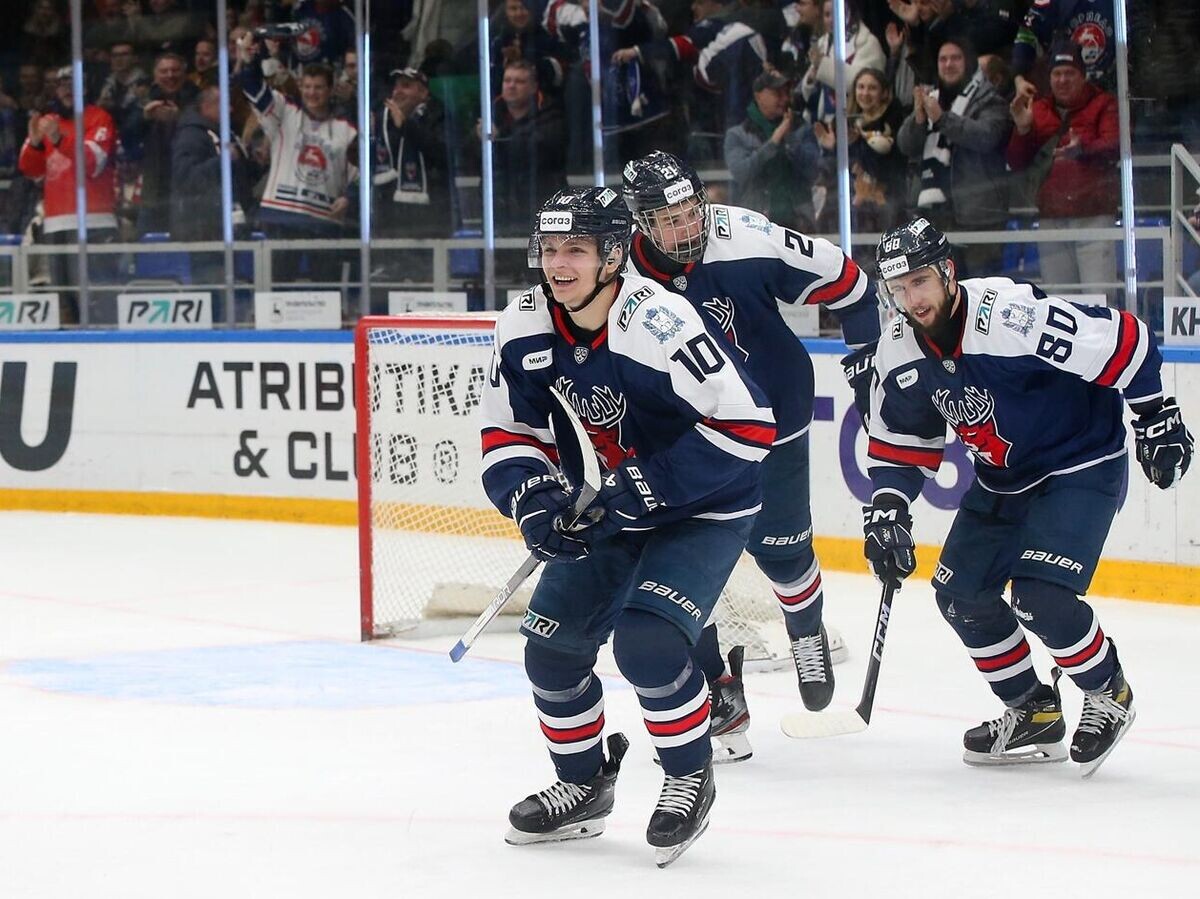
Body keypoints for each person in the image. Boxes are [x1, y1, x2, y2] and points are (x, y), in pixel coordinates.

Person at [481, 187, 776, 865]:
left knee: (648, 643)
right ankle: (583, 784)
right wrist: (532, 499)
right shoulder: (524, 324)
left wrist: (649, 482)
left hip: (705, 503)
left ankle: (689, 775)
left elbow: (749, 425)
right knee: (550, 649)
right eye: (550, 249)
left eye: (576, 250)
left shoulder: (656, 320)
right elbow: (508, 430)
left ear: (612, 256)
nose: (558, 264)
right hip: (611, 505)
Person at [863, 217, 1193, 777]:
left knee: (1041, 597)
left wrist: (1155, 414)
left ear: (947, 273)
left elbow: (1125, 340)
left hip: (1079, 462)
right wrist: (888, 507)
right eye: (898, 288)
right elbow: (903, 440)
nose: (911, 300)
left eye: (919, 282)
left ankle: (1108, 691)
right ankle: (1032, 711)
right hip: (1002, 480)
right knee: (960, 596)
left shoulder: (1007, 316)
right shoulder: (897, 352)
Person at [623, 151, 881, 743]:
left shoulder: (745, 237)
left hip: (773, 420)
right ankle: (718, 687)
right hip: (689, 438)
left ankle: (806, 630)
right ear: (642, 224)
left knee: (783, 554)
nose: (687, 227)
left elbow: (850, 282)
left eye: (692, 211)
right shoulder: (622, 277)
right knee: (680, 571)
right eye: (669, 220)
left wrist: (866, 361)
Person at [239, 35, 358, 284]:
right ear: (301, 88)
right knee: (277, 290)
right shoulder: (285, 112)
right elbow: (253, 87)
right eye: (307, 87)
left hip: (324, 219)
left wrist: (349, 196)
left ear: (330, 89)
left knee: (327, 292)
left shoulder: (347, 128)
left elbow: (362, 172)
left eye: (319, 87)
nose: (312, 93)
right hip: (282, 215)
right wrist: (250, 61)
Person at [1007, 41, 1118, 302]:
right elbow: (1016, 162)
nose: (1062, 80)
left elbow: (1115, 145)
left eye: (1070, 73)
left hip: (1094, 216)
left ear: (1083, 75)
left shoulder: (1104, 104)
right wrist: (1022, 129)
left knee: (1099, 299)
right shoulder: (1038, 109)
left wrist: (1083, 149)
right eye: (1057, 73)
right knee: (1058, 301)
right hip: (1051, 218)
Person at [896, 36, 1010, 278]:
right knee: (942, 291)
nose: (948, 64)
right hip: (934, 219)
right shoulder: (932, 98)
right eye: (943, 59)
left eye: (955, 58)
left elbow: (986, 137)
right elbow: (905, 145)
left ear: (968, 62)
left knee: (979, 291)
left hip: (979, 217)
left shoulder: (989, 100)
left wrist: (942, 119)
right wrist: (918, 120)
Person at [17, 66, 118, 321]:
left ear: (85, 88)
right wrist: (36, 144)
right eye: (62, 85)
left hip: (94, 222)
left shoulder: (99, 118)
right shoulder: (49, 121)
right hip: (56, 222)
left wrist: (59, 139)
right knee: (63, 299)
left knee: (97, 299)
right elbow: (30, 170)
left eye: (74, 84)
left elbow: (93, 162)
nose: (67, 90)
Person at [723, 69, 819, 231]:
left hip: (799, 221)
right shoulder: (738, 135)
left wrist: (790, 141)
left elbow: (813, 170)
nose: (784, 99)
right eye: (777, 93)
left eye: (786, 93)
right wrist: (773, 142)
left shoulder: (801, 129)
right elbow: (741, 172)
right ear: (758, 96)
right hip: (757, 222)